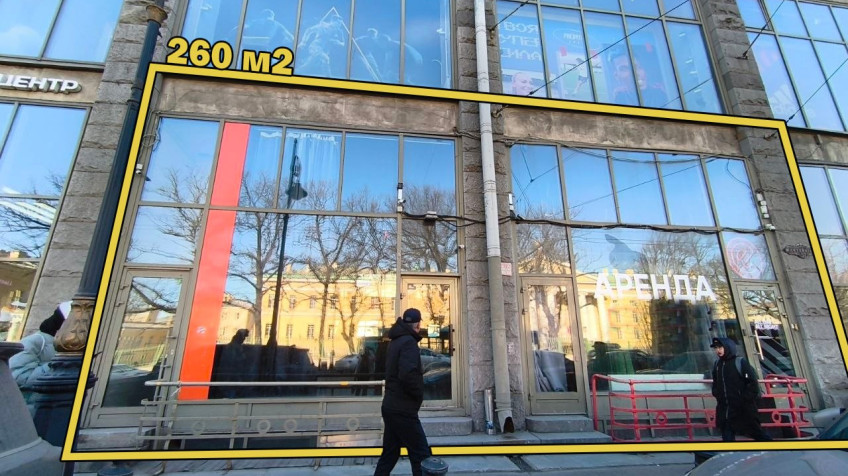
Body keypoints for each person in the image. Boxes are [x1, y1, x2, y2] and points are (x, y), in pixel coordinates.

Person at [374, 308, 431, 476]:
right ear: (418, 325)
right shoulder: (408, 343)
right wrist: (418, 394)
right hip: (403, 409)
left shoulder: (395, 341)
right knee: (421, 455)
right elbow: (408, 374)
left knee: (390, 454)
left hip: (391, 405)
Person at [710, 337, 772, 442]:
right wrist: (717, 394)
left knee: (755, 432)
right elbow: (716, 382)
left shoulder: (740, 362)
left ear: (727, 347)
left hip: (743, 408)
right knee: (727, 433)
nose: (718, 350)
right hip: (725, 408)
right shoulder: (717, 364)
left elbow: (752, 383)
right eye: (716, 348)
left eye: (720, 347)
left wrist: (744, 398)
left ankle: (775, 447)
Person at [10, 301, 70, 404]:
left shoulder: (68, 345)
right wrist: (59, 363)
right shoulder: (35, 341)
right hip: (29, 406)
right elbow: (20, 378)